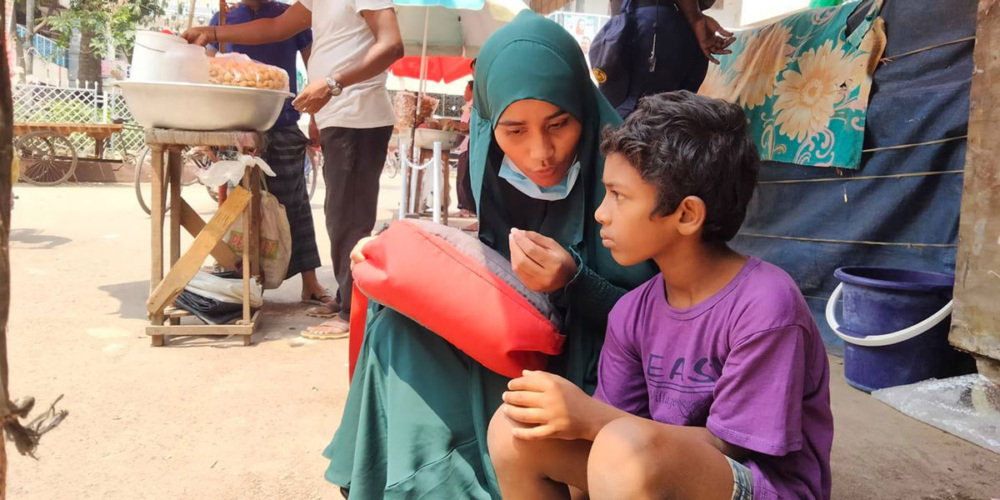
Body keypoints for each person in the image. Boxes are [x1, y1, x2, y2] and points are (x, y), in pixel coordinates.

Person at [324, 11, 656, 498]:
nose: (540, 152)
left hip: (594, 380)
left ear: (583, 109)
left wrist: (575, 281)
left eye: (559, 124)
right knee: (394, 324)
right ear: (488, 124)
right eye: (514, 130)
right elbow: (491, 259)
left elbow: (669, 324)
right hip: (518, 347)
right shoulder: (489, 166)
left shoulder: (630, 177)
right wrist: (397, 255)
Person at [487, 92, 834, 500]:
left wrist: (589, 417)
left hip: (759, 485)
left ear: (686, 215)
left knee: (623, 448)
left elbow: (733, 446)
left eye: (618, 195)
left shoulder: (766, 306)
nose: (601, 212)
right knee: (515, 429)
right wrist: (580, 429)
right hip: (647, 467)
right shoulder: (633, 312)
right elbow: (612, 444)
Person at [183, 0, 404, 340]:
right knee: (338, 215)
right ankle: (346, 297)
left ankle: (353, 313)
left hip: (359, 116)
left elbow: (391, 45)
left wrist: (332, 83)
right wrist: (211, 32)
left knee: (350, 218)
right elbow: (276, 27)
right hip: (338, 115)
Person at [205, 0, 331, 307]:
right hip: (236, 126)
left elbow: (313, 67)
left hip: (284, 121)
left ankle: (310, 281)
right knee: (239, 203)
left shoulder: (289, 15)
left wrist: (316, 118)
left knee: (295, 202)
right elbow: (208, 73)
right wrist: (208, 129)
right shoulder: (221, 20)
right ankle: (240, 278)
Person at [591, 0, 734, 118]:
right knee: (653, 117)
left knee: (637, 115)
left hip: (643, 19)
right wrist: (695, 19)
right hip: (658, 22)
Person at [452, 77, 477, 225]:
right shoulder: (468, 106)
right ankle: (465, 206)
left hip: (469, 145)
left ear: (472, 90)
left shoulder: (474, 105)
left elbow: (467, 126)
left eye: (465, 89)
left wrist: (455, 125)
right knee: (462, 176)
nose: (463, 92)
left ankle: (467, 208)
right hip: (465, 145)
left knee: (464, 177)